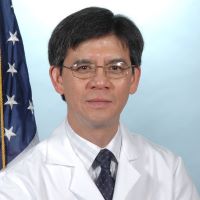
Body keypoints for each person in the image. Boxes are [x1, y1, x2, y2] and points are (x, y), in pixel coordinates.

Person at [0, 6, 199, 200]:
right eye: (84, 67)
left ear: (133, 78)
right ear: (58, 78)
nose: (100, 82)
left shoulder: (169, 171)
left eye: (116, 68)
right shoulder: (17, 183)